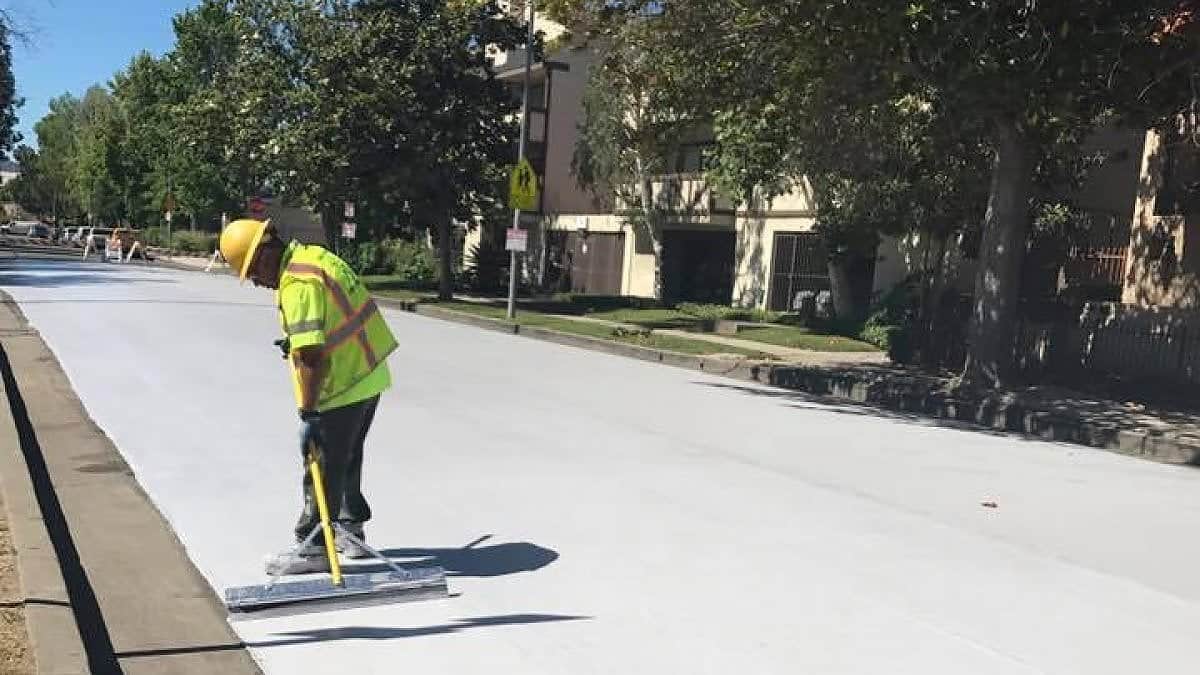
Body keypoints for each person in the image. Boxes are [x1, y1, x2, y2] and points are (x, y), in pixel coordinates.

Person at [219, 219, 398, 574]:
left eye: (253, 270)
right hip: (368, 374)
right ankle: (350, 528)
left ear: (267, 253)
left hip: (343, 383)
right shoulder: (313, 258)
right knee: (346, 457)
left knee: (321, 461)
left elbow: (312, 355)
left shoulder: (297, 284)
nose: (255, 280)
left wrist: (310, 411)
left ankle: (313, 546)